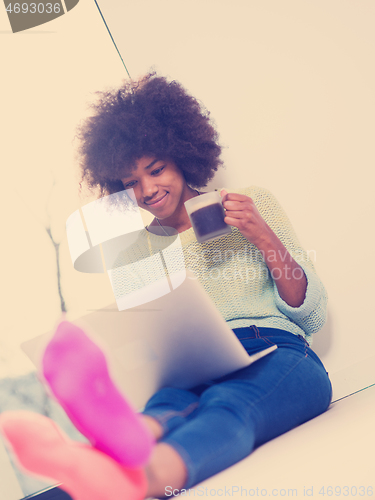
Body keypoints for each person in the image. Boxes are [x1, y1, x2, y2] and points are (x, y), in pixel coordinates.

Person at [0, 73, 332, 500]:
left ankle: (142, 478)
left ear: (182, 157)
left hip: (275, 350)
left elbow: (313, 314)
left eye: (155, 170)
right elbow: (147, 347)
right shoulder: (133, 253)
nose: (148, 190)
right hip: (188, 373)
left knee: (228, 407)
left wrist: (262, 236)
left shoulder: (250, 204)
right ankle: (102, 461)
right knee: (163, 407)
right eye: (131, 182)